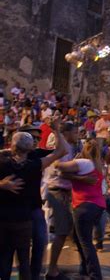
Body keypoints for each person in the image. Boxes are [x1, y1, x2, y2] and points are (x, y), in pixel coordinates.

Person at [0, 119, 67, 280]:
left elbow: (60, 150)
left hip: (29, 210)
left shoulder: (36, 157)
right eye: (33, 138)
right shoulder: (5, 157)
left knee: (38, 243)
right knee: (15, 255)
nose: (36, 141)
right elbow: (62, 150)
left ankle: (33, 275)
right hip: (12, 214)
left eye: (38, 138)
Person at [56, 140, 106, 280]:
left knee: (86, 243)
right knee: (79, 239)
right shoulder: (98, 165)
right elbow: (65, 174)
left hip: (84, 206)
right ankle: (84, 270)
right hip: (97, 205)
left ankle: (95, 276)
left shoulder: (84, 163)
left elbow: (58, 165)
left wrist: (67, 160)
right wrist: (78, 177)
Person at [45, 122, 81, 280]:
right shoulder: (63, 147)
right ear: (66, 133)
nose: (78, 135)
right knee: (61, 231)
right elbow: (60, 171)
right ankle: (52, 270)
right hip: (59, 192)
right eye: (75, 132)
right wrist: (84, 176)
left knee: (68, 230)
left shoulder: (70, 147)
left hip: (64, 191)